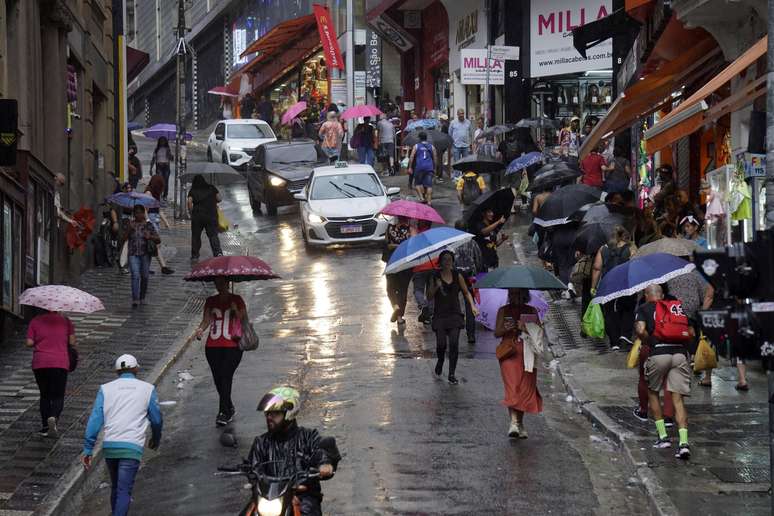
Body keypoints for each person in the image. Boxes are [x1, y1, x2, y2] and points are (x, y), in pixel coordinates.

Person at [82, 354, 163, 516]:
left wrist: (88, 448)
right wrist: (156, 438)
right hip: (131, 447)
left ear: (117, 371)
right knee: (124, 490)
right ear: (136, 369)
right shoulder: (147, 389)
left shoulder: (105, 389)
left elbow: (95, 420)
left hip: (111, 446)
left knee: (116, 487)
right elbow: (156, 420)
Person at [249, 387, 335, 516]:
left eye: (275, 414)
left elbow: (320, 451)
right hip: (269, 497)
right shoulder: (261, 442)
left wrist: (324, 464)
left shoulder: (308, 436)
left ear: (289, 413)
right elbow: (253, 468)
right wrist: (248, 471)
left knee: (308, 511)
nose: (269, 417)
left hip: (302, 495)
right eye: (267, 414)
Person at [634, 284, 692, 459]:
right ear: (662, 294)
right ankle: (683, 443)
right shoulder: (675, 307)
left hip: (659, 353)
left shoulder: (644, 308)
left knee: (653, 393)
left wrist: (649, 341)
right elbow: (690, 331)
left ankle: (663, 438)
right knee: (678, 400)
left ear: (646, 294)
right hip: (680, 354)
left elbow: (640, 330)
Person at [191, 276, 247, 426]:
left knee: (225, 376)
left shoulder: (237, 299)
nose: (219, 285)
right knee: (218, 379)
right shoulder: (211, 301)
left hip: (233, 346)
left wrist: (236, 310)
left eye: (222, 283)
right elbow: (207, 319)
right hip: (213, 346)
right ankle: (229, 405)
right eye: (217, 283)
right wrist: (200, 330)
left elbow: (244, 319)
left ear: (228, 283)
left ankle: (223, 412)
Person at [494, 288, 542, 438]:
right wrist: (505, 328)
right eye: (513, 294)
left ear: (525, 296)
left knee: (524, 388)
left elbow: (539, 332)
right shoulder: (503, 310)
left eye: (519, 294)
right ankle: (514, 423)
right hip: (509, 352)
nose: (516, 297)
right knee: (512, 386)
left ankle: (519, 423)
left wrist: (525, 328)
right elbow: (496, 332)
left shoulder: (532, 311)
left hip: (527, 353)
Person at [427, 251, 478, 385]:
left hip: (454, 315)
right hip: (440, 316)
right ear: (441, 262)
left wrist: (472, 306)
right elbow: (429, 296)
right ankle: (441, 359)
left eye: (450, 259)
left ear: (453, 261)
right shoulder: (435, 276)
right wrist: (436, 286)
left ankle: (451, 373)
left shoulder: (457, 275)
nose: (447, 262)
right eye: (445, 260)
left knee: (454, 344)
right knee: (441, 344)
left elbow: (466, 292)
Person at [25, 309, 76, 437]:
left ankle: (45, 427)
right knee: (58, 395)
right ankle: (53, 416)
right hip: (60, 362)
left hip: (40, 363)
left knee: (45, 395)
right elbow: (72, 342)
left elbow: (29, 343)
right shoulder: (66, 321)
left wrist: (41, 341)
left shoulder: (35, 321)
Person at [591, 226, 636, 350]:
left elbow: (597, 268)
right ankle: (625, 335)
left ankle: (614, 342)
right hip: (626, 283)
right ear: (624, 235)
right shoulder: (631, 248)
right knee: (627, 308)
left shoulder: (603, 248)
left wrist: (593, 287)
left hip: (608, 283)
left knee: (610, 312)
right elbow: (635, 265)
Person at [453, 220, 484, 344]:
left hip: (455, 277)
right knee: (470, 305)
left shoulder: (452, 244)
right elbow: (479, 260)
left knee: (453, 303)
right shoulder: (472, 243)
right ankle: (471, 334)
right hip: (470, 277)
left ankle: (454, 329)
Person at [126, 205, 160, 308]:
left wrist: (150, 236)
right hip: (133, 254)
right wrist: (129, 230)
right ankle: (135, 299)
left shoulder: (148, 225)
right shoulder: (130, 224)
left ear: (143, 213)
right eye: (136, 213)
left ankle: (142, 296)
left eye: (140, 212)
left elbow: (158, 239)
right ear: (134, 214)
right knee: (135, 275)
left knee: (144, 276)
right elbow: (122, 238)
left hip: (145, 254)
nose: (138, 215)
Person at [384, 216, 412, 326]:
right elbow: (411, 246)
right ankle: (400, 317)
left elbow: (386, 243)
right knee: (402, 290)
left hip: (391, 262)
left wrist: (393, 245)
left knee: (390, 288)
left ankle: (395, 306)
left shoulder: (390, 228)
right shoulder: (410, 230)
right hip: (405, 264)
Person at [187, 175, 223, 260]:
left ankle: (195, 255)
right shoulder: (211, 188)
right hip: (211, 215)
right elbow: (219, 198)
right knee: (213, 235)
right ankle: (218, 253)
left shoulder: (193, 190)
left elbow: (189, 202)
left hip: (197, 216)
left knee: (196, 235)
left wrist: (191, 212)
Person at [141, 186, 174, 275]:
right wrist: (147, 221)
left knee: (152, 245)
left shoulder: (156, 195)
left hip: (156, 220)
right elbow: (144, 209)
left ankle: (147, 267)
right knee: (155, 244)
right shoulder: (148, 193)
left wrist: (166, 222)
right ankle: (163, 267)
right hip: (151, 221)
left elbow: (159, 210)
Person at [407, 132, 437, 205]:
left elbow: (411, 157)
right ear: (426, 138)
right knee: (429, 185)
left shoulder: (416, 146)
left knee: (417, 183)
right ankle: (429, 201)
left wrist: (410, 167)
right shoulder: (432, 147)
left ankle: (422, 198)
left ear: (419, 138)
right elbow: (435, 158)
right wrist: (435, 168)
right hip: (429, 167)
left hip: (419, 167)